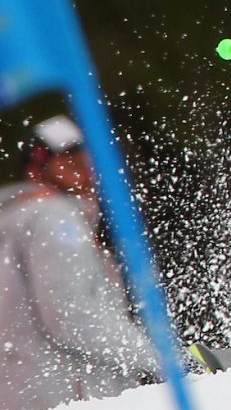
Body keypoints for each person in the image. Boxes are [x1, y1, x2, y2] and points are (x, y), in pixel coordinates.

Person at [0, 115, 159, 410]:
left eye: (88, 156)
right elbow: (71, 316)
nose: (87, 168)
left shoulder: (20, 220)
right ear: (36, 171)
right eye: (70, 159)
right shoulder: (53, 218)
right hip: (64, 397)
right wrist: (159, 360)